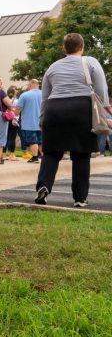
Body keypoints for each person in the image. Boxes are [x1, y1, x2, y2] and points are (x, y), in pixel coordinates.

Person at [34, 33, 112, 208]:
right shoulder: (90, 62)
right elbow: (101, 89)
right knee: (81, 155)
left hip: (54, 109)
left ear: (64, 49)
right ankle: (79, 198)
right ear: (82, 47)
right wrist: (107, 108)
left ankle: (44, 186)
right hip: (81, 108)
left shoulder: (52, 67)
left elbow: (45, 97)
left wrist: (42, 118)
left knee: (52, 153)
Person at [15, 79, 43, 164]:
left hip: (29, 122)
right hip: (42, 121)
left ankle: (35, 157)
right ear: (38, 85)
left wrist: (14, 114)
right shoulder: (44, 94)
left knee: (32, 140)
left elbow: (18, 109)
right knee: (41, 140)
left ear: (30, 84)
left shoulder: (24, 95)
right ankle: (43, 157)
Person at [3, 86, 20, 161]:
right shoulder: (17, 101)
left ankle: (3, 154)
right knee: (12, 138)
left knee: (5, 137)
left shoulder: (5, 100)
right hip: (14, 120)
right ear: (14, 93)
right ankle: (12, 155)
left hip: (6, 119)